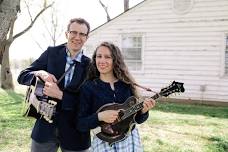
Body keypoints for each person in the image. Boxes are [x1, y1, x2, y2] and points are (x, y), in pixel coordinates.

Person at [17, 18, 91, 152]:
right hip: (44, 130)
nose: (77, 37)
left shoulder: (91, 66)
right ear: (66, 34)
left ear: (87, 37)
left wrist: (60, 95)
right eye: (73, 32)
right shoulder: (51, 53)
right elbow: (22, 76)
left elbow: (88, 104)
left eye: (82, 34)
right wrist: (40, 73)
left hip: (76, 133)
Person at [77, 41, 156, 151]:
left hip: (129, 141)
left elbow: (136, 120)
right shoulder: (89, 87)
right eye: (99, 56)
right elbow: (81, 124)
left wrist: (144, 111)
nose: (102, 61)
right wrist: (100, 116)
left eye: (107, 57)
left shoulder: (127, 85)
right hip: (104, 144)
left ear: (115, 60)